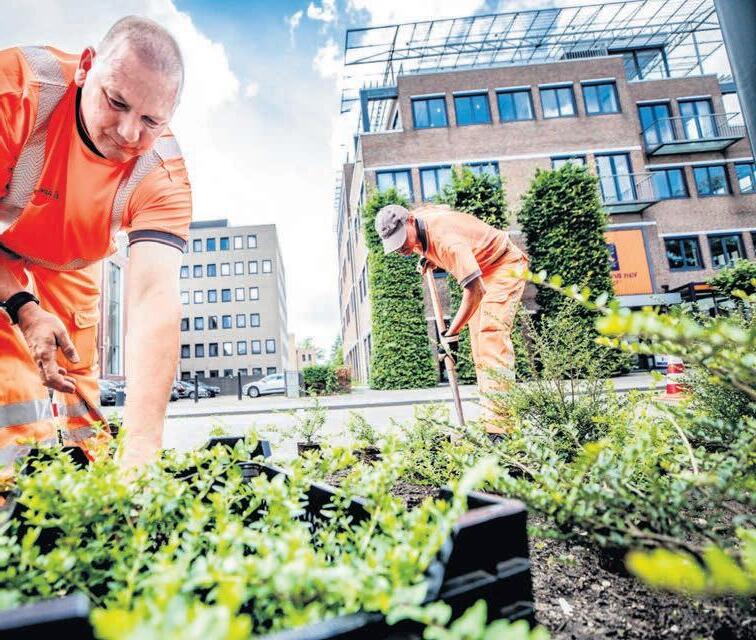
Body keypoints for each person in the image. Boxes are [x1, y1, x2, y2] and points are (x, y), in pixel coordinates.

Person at [0, 16, 192, 470]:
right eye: (116, 102)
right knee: (12, 377)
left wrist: (142, 448)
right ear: (86, 66)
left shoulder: (163, 176)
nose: (128, 133)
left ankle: (93, 487)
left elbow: (154, 301)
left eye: (150, 121)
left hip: (69, 263)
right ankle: (14, 491)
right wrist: (23, 306)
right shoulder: (16, 92)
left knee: (74, 379)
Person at [374, 203, 528, 435]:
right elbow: (440, 209)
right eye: (394, 243)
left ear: (410, 221)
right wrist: (429, 256)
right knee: (480, 349)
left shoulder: (447, 242)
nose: (401, 247)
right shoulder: (421, 223)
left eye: (403, 239)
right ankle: (493, 421)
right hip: (482, 268)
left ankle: (502, 431)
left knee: (490, 338)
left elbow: (475, 289)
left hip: (502, 265)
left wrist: (451, 333)